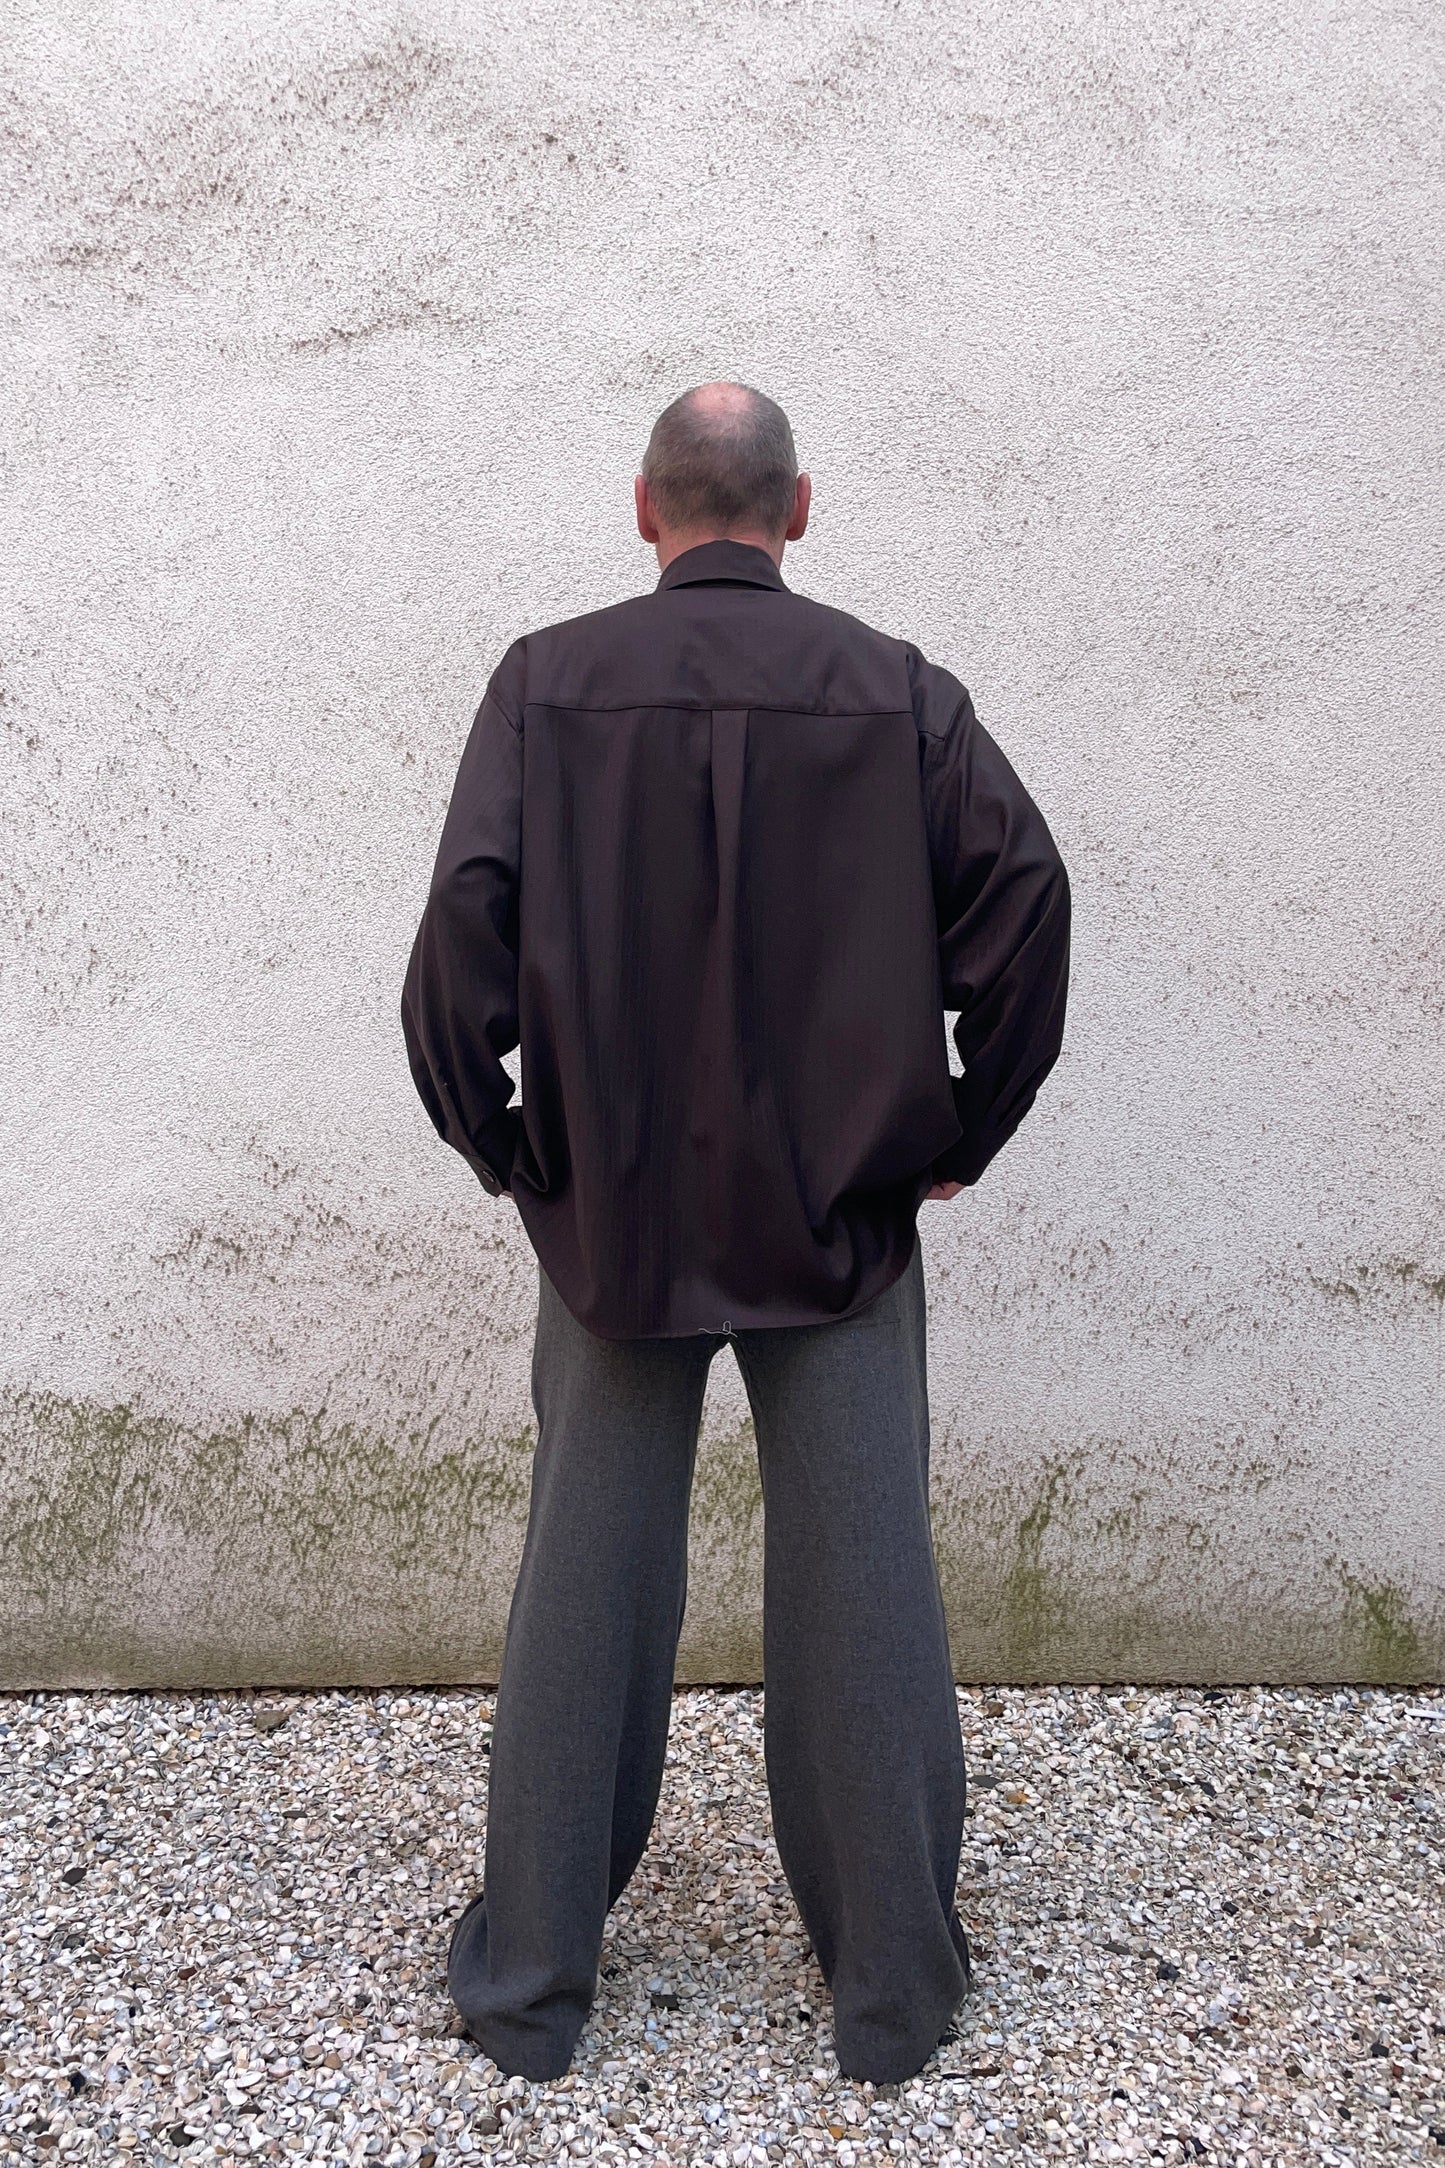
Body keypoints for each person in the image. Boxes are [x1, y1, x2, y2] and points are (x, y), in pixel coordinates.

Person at [400, 382, 1071, 2086]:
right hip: (837, 1215)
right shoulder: (895, 692)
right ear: (799, 509)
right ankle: (893, 1999)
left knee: (585, 1585)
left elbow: (456, 950)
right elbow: (1027, 905)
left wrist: (512, 1149)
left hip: (612, 1218)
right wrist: (954, 1132)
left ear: (644, 511)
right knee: (862, 1585)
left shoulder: (546, 685)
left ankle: (532, 1987)